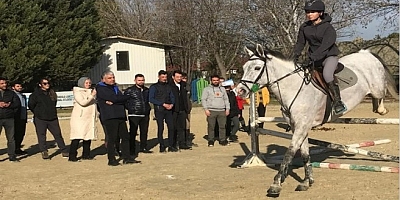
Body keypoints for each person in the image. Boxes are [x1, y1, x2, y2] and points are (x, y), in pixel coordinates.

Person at [293, 0, 346, 115]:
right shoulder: (304, 27)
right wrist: (294, 55)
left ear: (320, 13)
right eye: (307, 12)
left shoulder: (328, 28)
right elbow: (300, 43)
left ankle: (338, 102)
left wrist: (313, 57)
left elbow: (325, 47)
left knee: (327, 74)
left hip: (328, 56)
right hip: (313, 57)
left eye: (312, 12)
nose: (309, 14)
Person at [96, 71, 140, 166]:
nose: (112, 79)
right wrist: (120, 99)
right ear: (104, 79)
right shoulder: (101, 88)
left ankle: (126, 157)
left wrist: (119, 99)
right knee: (112, 138)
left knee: (125, 137)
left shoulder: (116, 87)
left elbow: (120, 99)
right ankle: (111, 159)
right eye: (109, 78)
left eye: (113, 77)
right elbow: (115, 98)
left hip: (120, 115)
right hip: (110, 116)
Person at [29, 78, 69, 159]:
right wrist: (38, 113)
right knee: (42, 136)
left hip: (52, 118)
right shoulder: (35, 95)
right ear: (40, 85)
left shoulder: (52, 93)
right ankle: (44, 151)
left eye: (48, 83)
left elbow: (54, 104)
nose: (47, 84)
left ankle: (64, 150)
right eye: (45, 83)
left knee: (58, 134)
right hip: (40, 118)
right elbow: (31, 106)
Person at [68, 77, 97, 162]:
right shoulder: (77, 92)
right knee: (76, 137)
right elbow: (83, 103)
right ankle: (72, 156)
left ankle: (86, 154)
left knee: (88, 137)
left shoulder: (91, 92)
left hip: (88, 118)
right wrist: (92, 95)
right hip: (79, 119)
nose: (88, 84)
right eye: (86, 83)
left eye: (89, 83)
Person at [124, 74, 152, 155]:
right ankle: (132, 149)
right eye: (139, 80)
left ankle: (143, 147)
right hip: (134, 115)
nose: (141, 82)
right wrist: (131, 109)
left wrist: (147, 109)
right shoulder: (129, 90)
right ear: (135, 80)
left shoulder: (147, 90)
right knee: (133, 132)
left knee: (144, 132)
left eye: (142, 80)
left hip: (144, 114)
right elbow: (125, 101)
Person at [149, 70, 175, 153]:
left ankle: (171, 145)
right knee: (161, 128)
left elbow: (172, 96)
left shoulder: (168, 86)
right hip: (159, 110)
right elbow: (151, 99)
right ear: (159, 77)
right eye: (162, 77)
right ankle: (162, 145)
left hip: (168, 110)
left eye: (165, 77)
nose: (164, 79)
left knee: (171, 127)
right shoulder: (154, 87)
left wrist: (172, 104)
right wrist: (162, 104)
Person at [201, 75, 230, 147]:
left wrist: (227, 109)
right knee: (211, 126)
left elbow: (226, 99)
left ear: (219, 81)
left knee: (222, 126)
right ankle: (211, 140)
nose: (215, 81)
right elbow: (203, 99)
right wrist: (206, 109)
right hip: (211, 110)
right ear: (211, 81)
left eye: (217, 80)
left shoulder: (222, 89)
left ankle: (222, 140)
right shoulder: (207, 89)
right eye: (214, 80)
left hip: (222, 110)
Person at [170, 70, 191, 150]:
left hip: (183, 109)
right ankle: (173, 144)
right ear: (173, 77)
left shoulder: (184, 85)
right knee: (174, 127)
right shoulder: (170, 86)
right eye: (177, 77)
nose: (179, 78)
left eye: (180, 77)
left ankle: (182, 143)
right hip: (174, 110)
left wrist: (187, 108)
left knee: (182, 127)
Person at [0, 78, 20, 162]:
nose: (4, 85)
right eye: (2, 83)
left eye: (5, 83)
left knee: (11, 138)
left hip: (9, 118)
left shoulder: (11, 93)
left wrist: (9, 105)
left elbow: (17, 104)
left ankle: (12, 156)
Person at [12, 82, 28, 155]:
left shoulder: (23, 96)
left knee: (21, 133)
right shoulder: (12, 95)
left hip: (23, 117)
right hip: (15, 117)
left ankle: (17, 148)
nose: (19, 87)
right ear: (13, 87)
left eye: (20, 86)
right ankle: (13, 149)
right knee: (15, 134)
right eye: (17, 86)